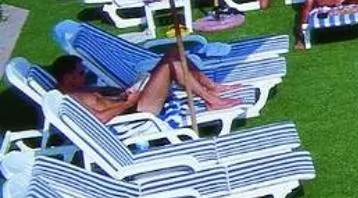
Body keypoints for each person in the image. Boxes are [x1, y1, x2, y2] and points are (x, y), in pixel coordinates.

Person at [50, 51, 243, 120]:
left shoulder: (80, 90)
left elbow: (103, 97)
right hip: (136, 111)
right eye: (81, 73)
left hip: (131, 101)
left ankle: (211, 87)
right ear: (68, 77)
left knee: (173, 52)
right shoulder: (70, 99)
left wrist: (121, 93)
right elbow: (98, 119)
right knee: (171, 66)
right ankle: (212, 100)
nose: (86, 76)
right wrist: (126, 103)